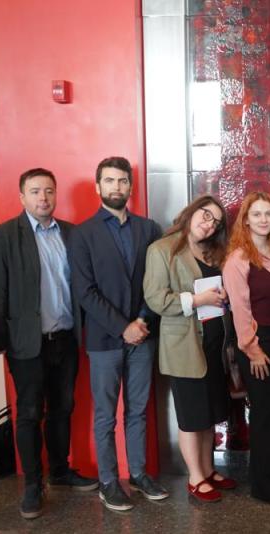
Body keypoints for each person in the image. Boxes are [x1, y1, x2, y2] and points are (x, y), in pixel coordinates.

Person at [0, 168, 97, 521]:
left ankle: (60, 471)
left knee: (63, 407)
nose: (43, 198)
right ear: (22, 196)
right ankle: (33, 484)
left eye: (48, 190)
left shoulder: (71, 233)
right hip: (26, 343)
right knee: (30, 413)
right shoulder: (3, 235)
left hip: (65, 338)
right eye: (35, 191)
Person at [68, 156, 166, 512]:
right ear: (98, 187)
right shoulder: (82, 234)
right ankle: (109, 481)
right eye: (109, 181)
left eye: (123, 180)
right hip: (104, 339)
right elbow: (85, 291)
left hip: (143, 334)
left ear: (130, 186)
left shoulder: (149, 229)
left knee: (138, 410)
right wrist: (123, 327)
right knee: (106, 415)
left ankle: (138, 474)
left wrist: (141, 321)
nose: (117, 187)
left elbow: (156, 282)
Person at [143, 195, 237, 503]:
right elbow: (156, 299)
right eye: (206, 215)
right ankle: (195, 477)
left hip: (215, 345)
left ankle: (208, 469)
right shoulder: (162, 250)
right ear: (192, 211)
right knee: (192, 414)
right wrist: (197, 300)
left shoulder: (213, 253)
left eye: (216, 222)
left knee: (211, 412)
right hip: (184, 346)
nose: (209, 225)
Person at [223, 192, 270, 509]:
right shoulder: (238, 259)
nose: (263, 219)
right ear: (246, 220)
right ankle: (268, 489)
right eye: (257, 214)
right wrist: (252, 349)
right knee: (264, 414)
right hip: (256, 342)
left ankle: (268, 478)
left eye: (268, 213)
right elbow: (239, 310)